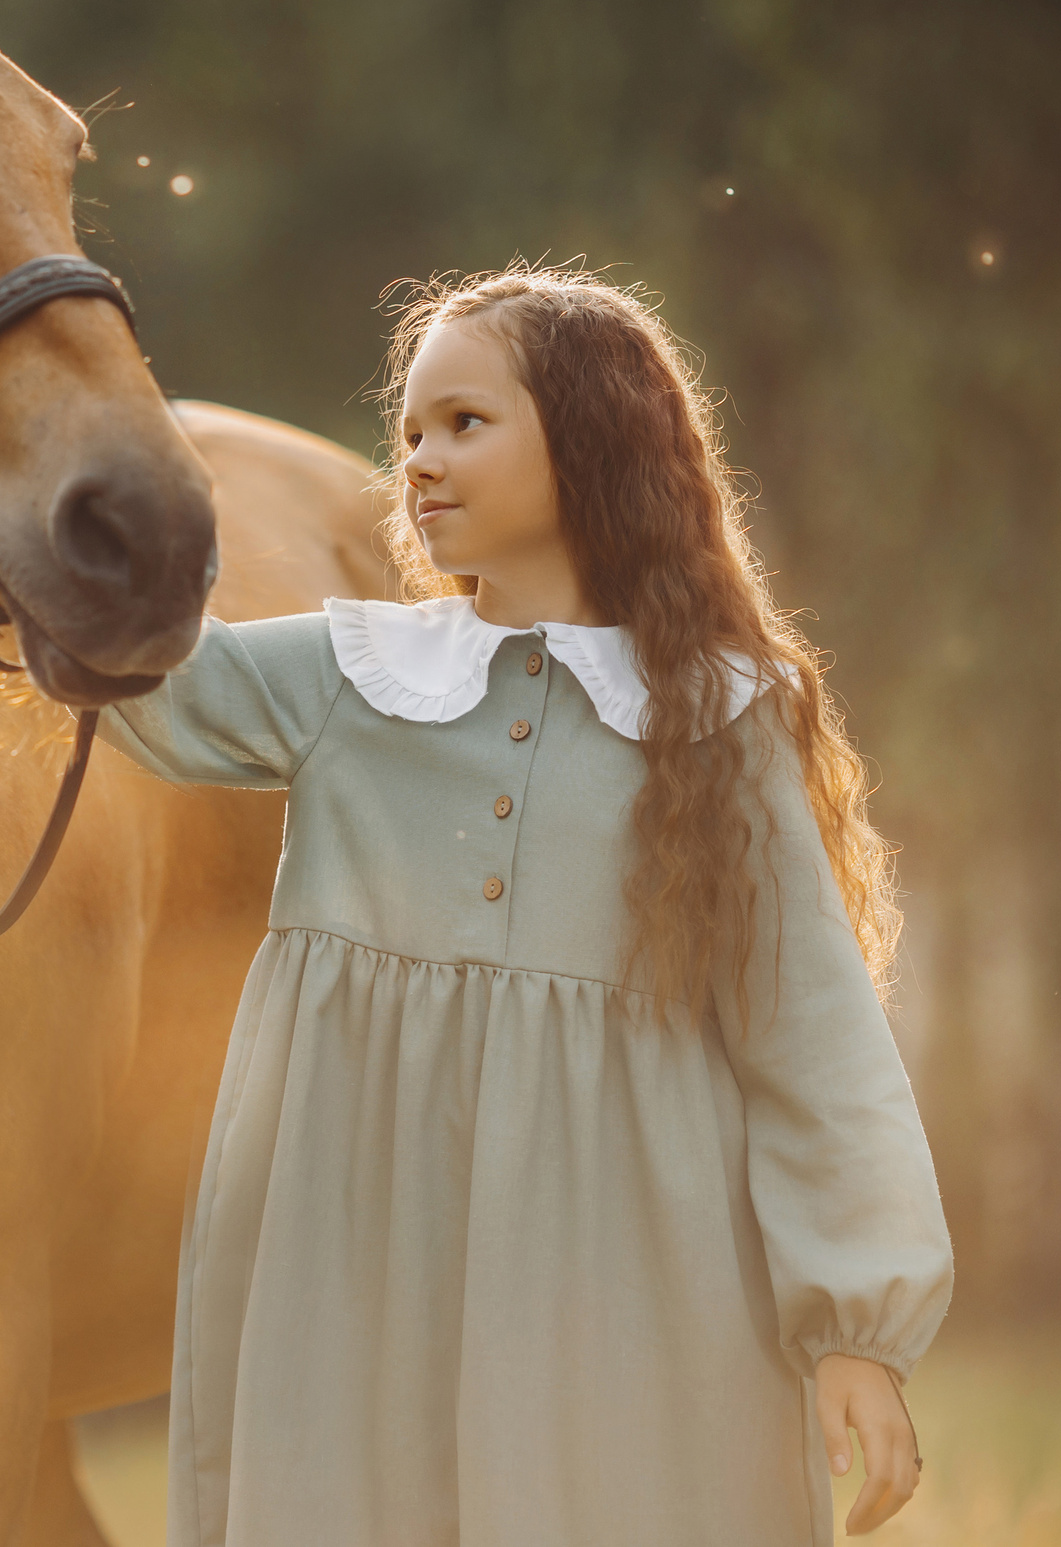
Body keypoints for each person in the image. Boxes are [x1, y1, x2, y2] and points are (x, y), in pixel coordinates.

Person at [102, 267, 954, 1546]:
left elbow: (813, 1037)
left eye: (464, 423)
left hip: (629, 1281)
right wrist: (18, 505)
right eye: (409, 434)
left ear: (593, 438)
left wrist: (856, 1334)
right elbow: (138, 680)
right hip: (362, 1261)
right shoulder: (355, 675)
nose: (420, 463)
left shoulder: (719, 718)